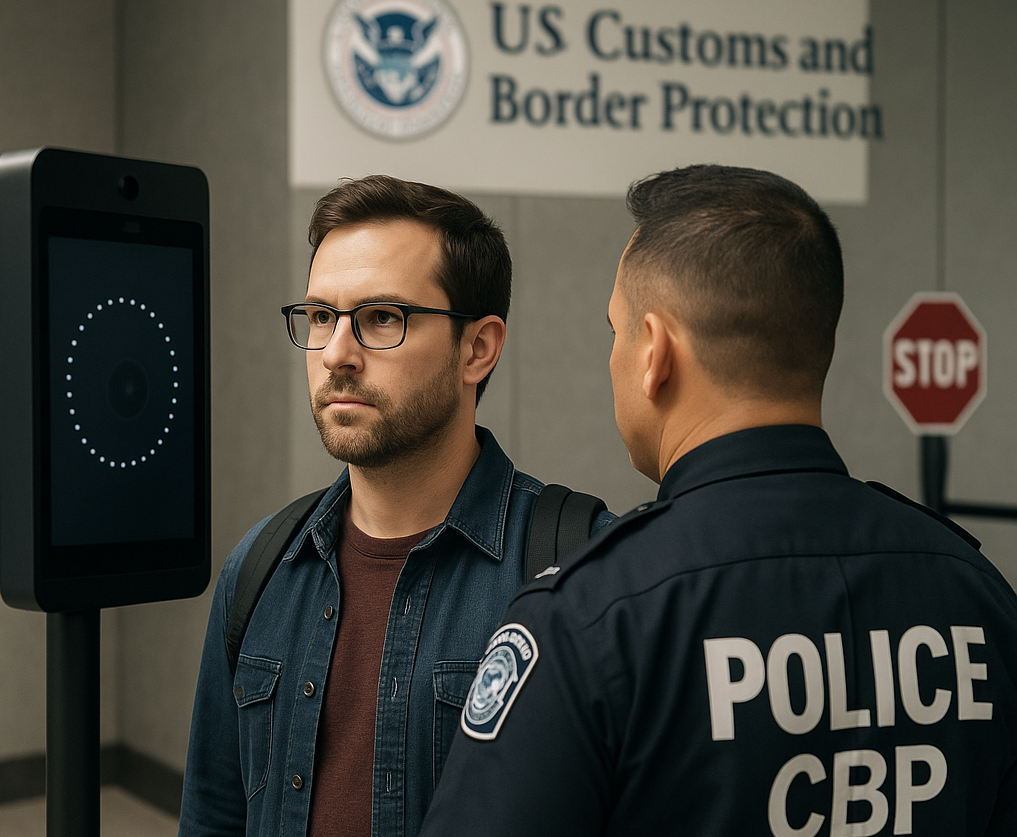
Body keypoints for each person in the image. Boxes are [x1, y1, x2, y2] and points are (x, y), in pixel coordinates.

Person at [420, 165, 1017, 836]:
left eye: (616, 330)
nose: (613, 357)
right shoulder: (980, 598)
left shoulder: (593, 620)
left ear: (657, 353)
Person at [177, 175, 613, 837]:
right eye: (321, 316)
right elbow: (213, 814)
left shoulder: (577, 569)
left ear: (478, 347)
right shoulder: (261, 567)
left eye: (383, 317)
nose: (336, 354)